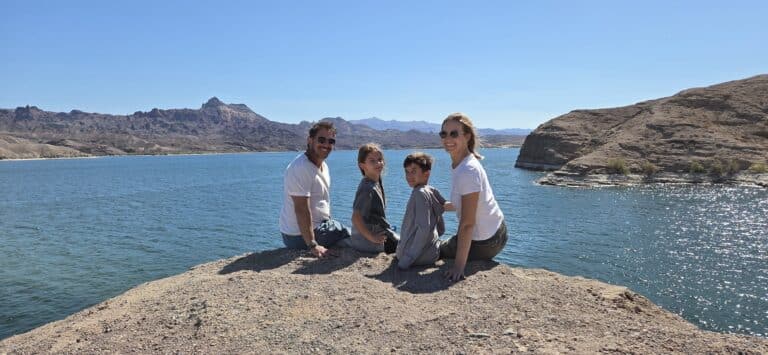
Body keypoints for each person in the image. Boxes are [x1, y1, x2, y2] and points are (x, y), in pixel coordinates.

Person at [439, 112, 508, 281]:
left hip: (486, 241)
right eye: (444, 134)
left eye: (454, 133)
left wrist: (458, 266)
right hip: (496, 232)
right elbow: (462, 204)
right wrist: (436, 206)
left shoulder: (468, 170)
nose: (448, 138)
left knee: (433, 249)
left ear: (467, 136)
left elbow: (468, 223)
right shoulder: (461, 163)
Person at [279, 121, 350, 258]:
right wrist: (313, 245)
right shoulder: (300, 168)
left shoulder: (323, 165)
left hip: (317, 228)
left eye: (331, 141)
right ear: (310, 140)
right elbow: (301, 209)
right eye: (321, 139)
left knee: (351, 231)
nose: (326, 144)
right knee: (356, 236)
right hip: (299, 236)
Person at [396, 152, 451, 269]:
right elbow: (441, 218)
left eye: (414, 171)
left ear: (426, 174)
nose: (409, 176)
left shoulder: (419, 193)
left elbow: (424, 228)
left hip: (415, 257)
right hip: (432, 254)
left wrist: (407, 259)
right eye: (407, 171)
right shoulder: (431, 190)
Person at [348, 143, 400, 254]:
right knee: (407, 247)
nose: (378, 163)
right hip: (367, 242)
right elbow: (355, 218)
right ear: (362, 165)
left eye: (380, 159)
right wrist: (372, 238)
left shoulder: (375, 182)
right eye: (372, 161)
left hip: (372, 235)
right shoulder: (367, 188)